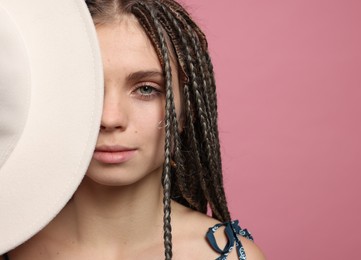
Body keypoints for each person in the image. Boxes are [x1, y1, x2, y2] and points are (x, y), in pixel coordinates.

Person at [2, 0, 266, 259]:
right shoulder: (9, 244)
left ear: (186, 110)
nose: (110, 118)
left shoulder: (230, 257)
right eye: (89, 88)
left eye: (147, 89)